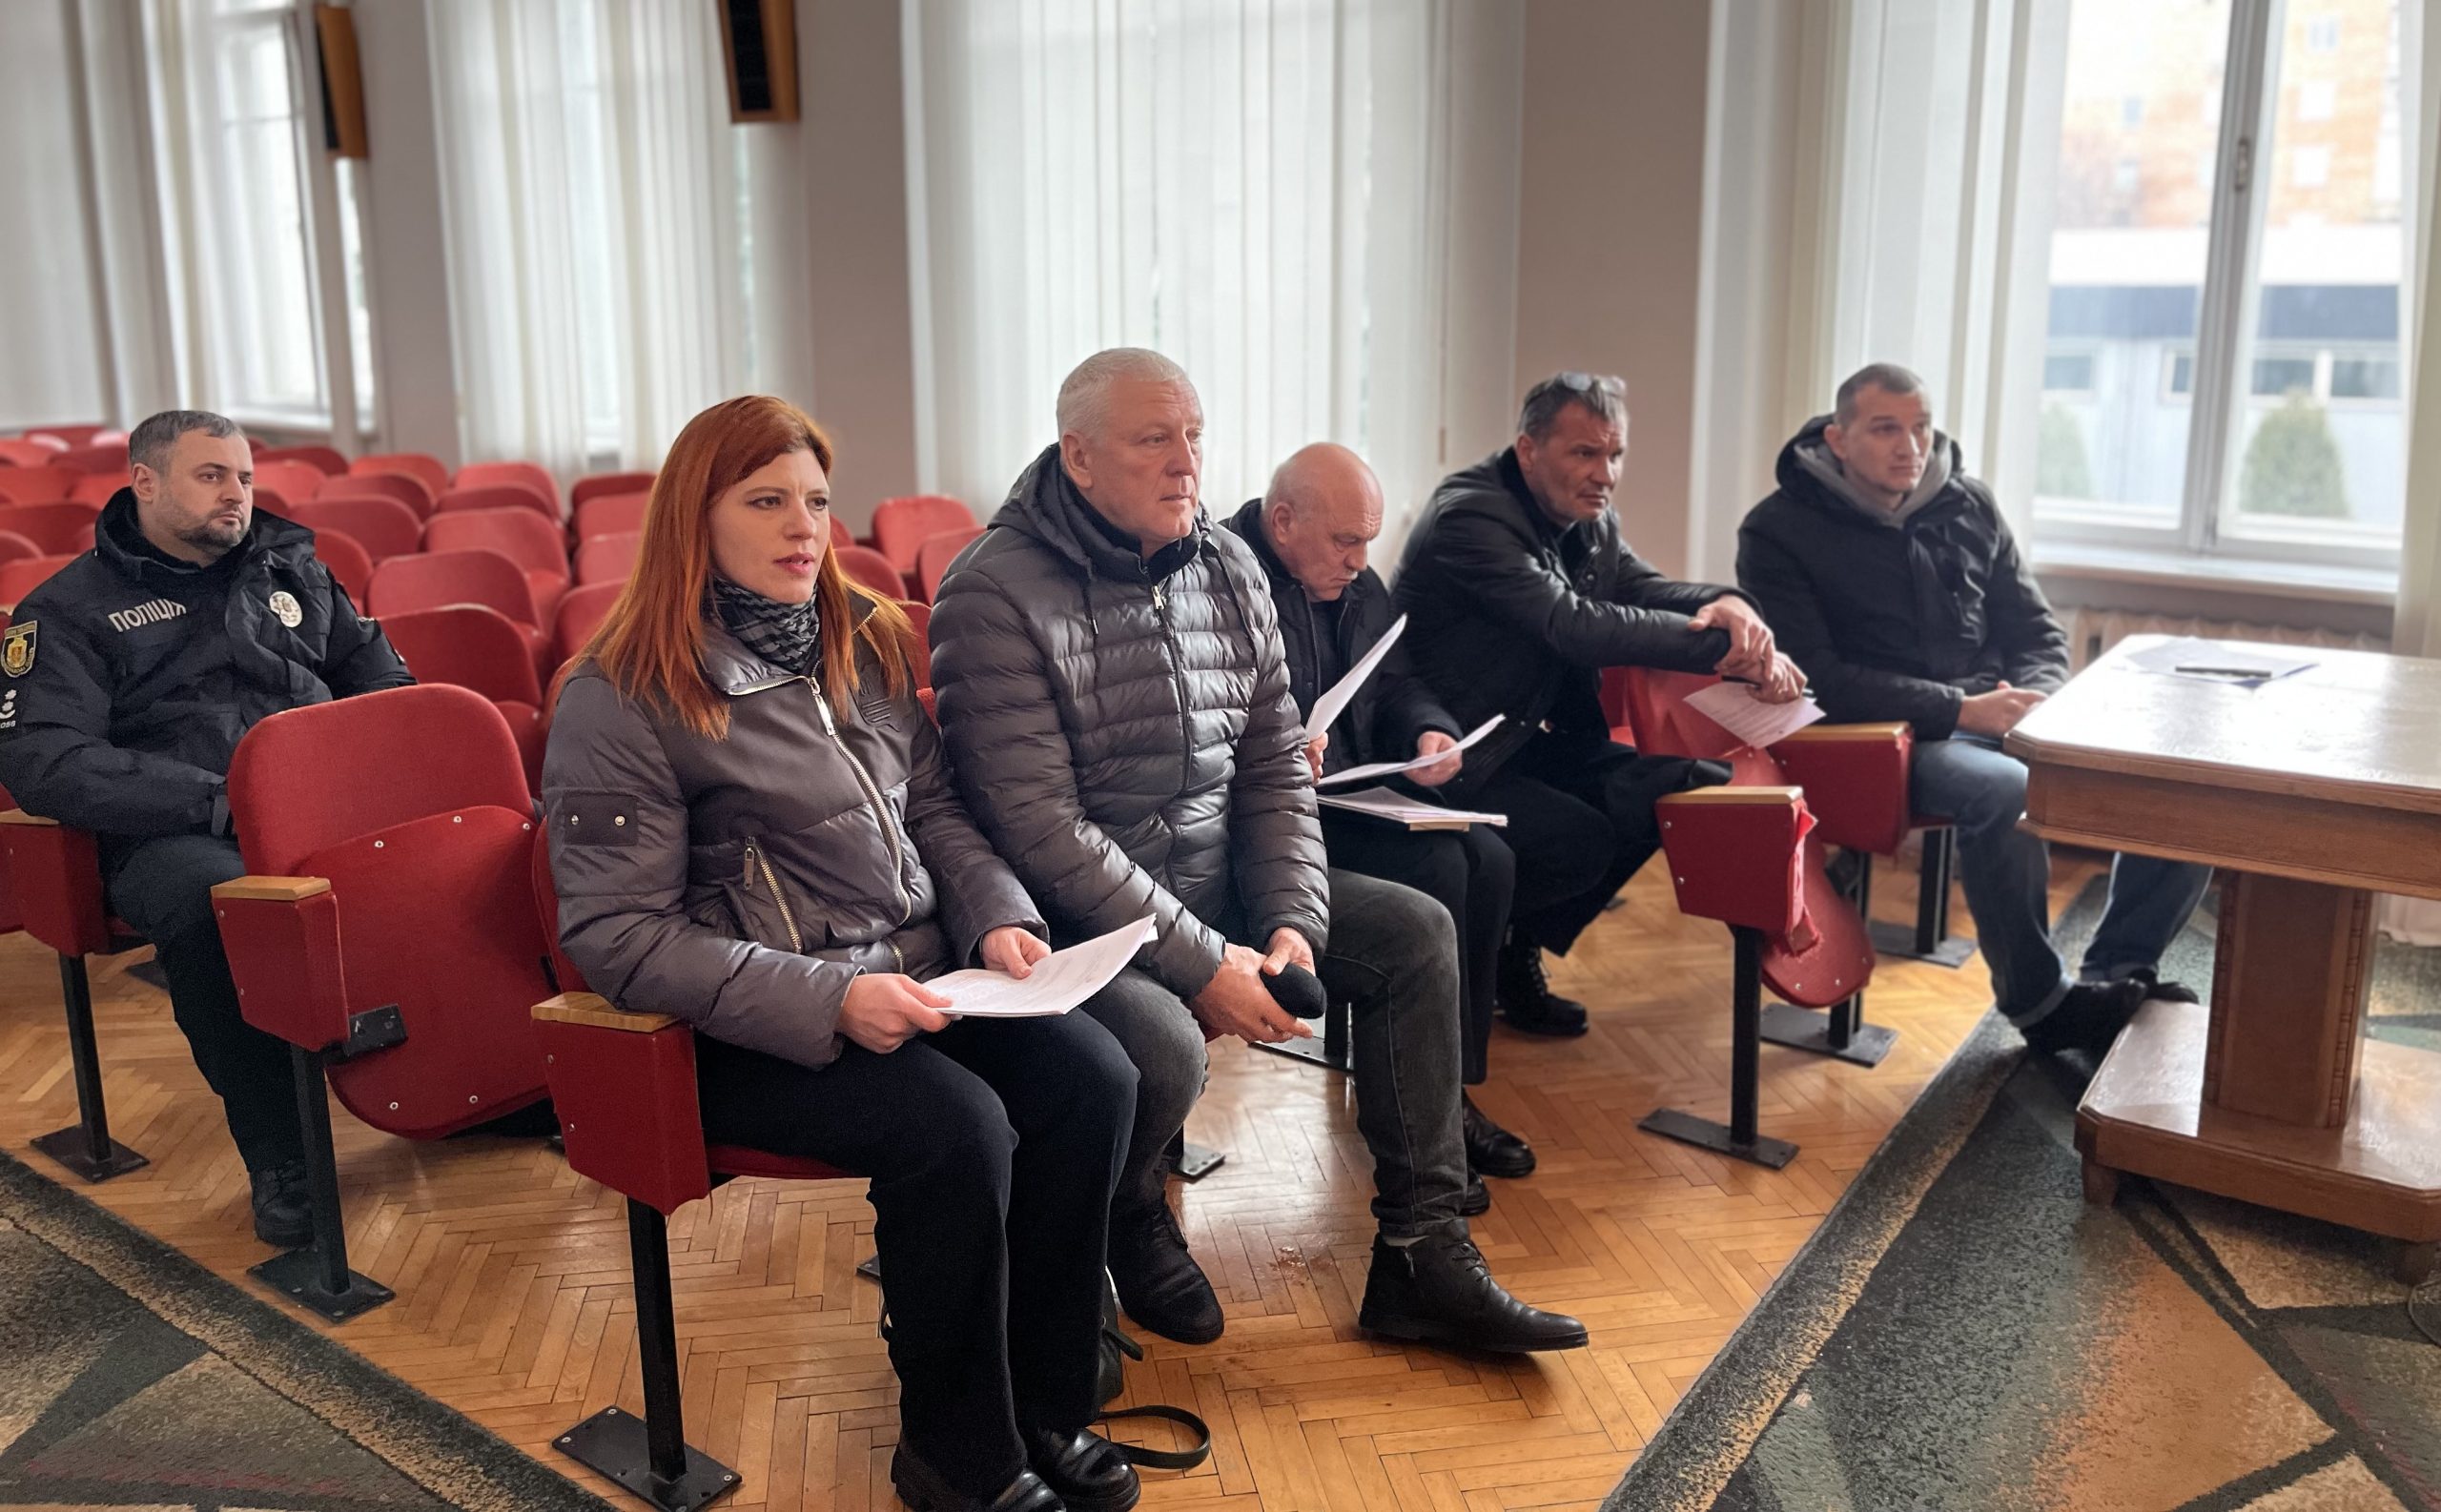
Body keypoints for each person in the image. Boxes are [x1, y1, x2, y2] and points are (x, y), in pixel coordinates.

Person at [542, 397, 1140, 1512]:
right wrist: (831, 999)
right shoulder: (620, 692)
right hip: (742, 1024)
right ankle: (957, 1452)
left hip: (912, 978)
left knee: (1094, 1080)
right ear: (694, 517)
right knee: (957, 1129)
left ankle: (1045, 1406)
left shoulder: (858, 637)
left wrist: (994, 916)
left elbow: (938, 810)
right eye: (766, 500)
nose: (803, 526)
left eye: (816, 500)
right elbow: (616, 936)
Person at [929, 349, 1585, 1356]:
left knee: (1415, 930)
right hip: (1075, 925)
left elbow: (1276, 767)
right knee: (1166, 1039)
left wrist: (1290, 921)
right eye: (1154, 439)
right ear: (1080, 456)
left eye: (1193, 435)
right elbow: (1040, 829)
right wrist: (1204, 962)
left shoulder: (1229, 566)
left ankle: (1422, 1252)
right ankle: (1126, 1211)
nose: (1186, 462)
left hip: (1213, 886)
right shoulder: (991, 591)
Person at [0, 409, 412, 1248]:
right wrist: (219, 799)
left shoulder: (291, 569)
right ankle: (283, 1157)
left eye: (246, 477)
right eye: (212, 475)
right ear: (144, 482)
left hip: (312, 808)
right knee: (219, 907)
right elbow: (47, 761)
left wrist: (359, 777)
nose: (237, 494)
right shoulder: (67, 610)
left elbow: (384, 685)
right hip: (173, 830)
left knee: (440, 854)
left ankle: (468, 1081)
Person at [1736, 362, 2210, 1058]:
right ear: (1838, 439)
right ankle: (2042, 1007)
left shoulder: (1970, 504)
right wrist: (1964, 710)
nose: (1911, 447)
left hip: (1995, 715)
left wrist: (2037, 704)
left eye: (1921, 427)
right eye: (1886, 429)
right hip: (1881, 738)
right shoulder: (1776, 530)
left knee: (2177, 778)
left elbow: (2036, 630)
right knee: (2007, 793)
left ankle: (2119, 969)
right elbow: (1821, 679)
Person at [1395, 373, 1804, 1034]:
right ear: (1529, 450)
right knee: (1578, 841)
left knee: (1682, 788)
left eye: (1615, 454)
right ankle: (1485, 955)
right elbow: (1573, 625)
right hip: (1450, 751)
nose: (1606, 474)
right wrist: (1726, 648)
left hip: (1529, 738)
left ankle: (1511, 944)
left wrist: (1729, 606)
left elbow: (1645, 590)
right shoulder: (1471, 516)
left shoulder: (1588, 518)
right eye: (1585, 453)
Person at [1221, 442, 1535, 1182]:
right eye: (1346, 541)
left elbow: (1396, 682)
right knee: (1439, 868)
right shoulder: (1226, 580)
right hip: (1269, 819)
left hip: (1350, 794)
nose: (1362, 561)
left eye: (1368, 541)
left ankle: (1450, 1088)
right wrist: (1278, 756)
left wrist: (1429, 729)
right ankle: (1420, 1112)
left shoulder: (1355, 583)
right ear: (1283, 521)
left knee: (1491, 858)